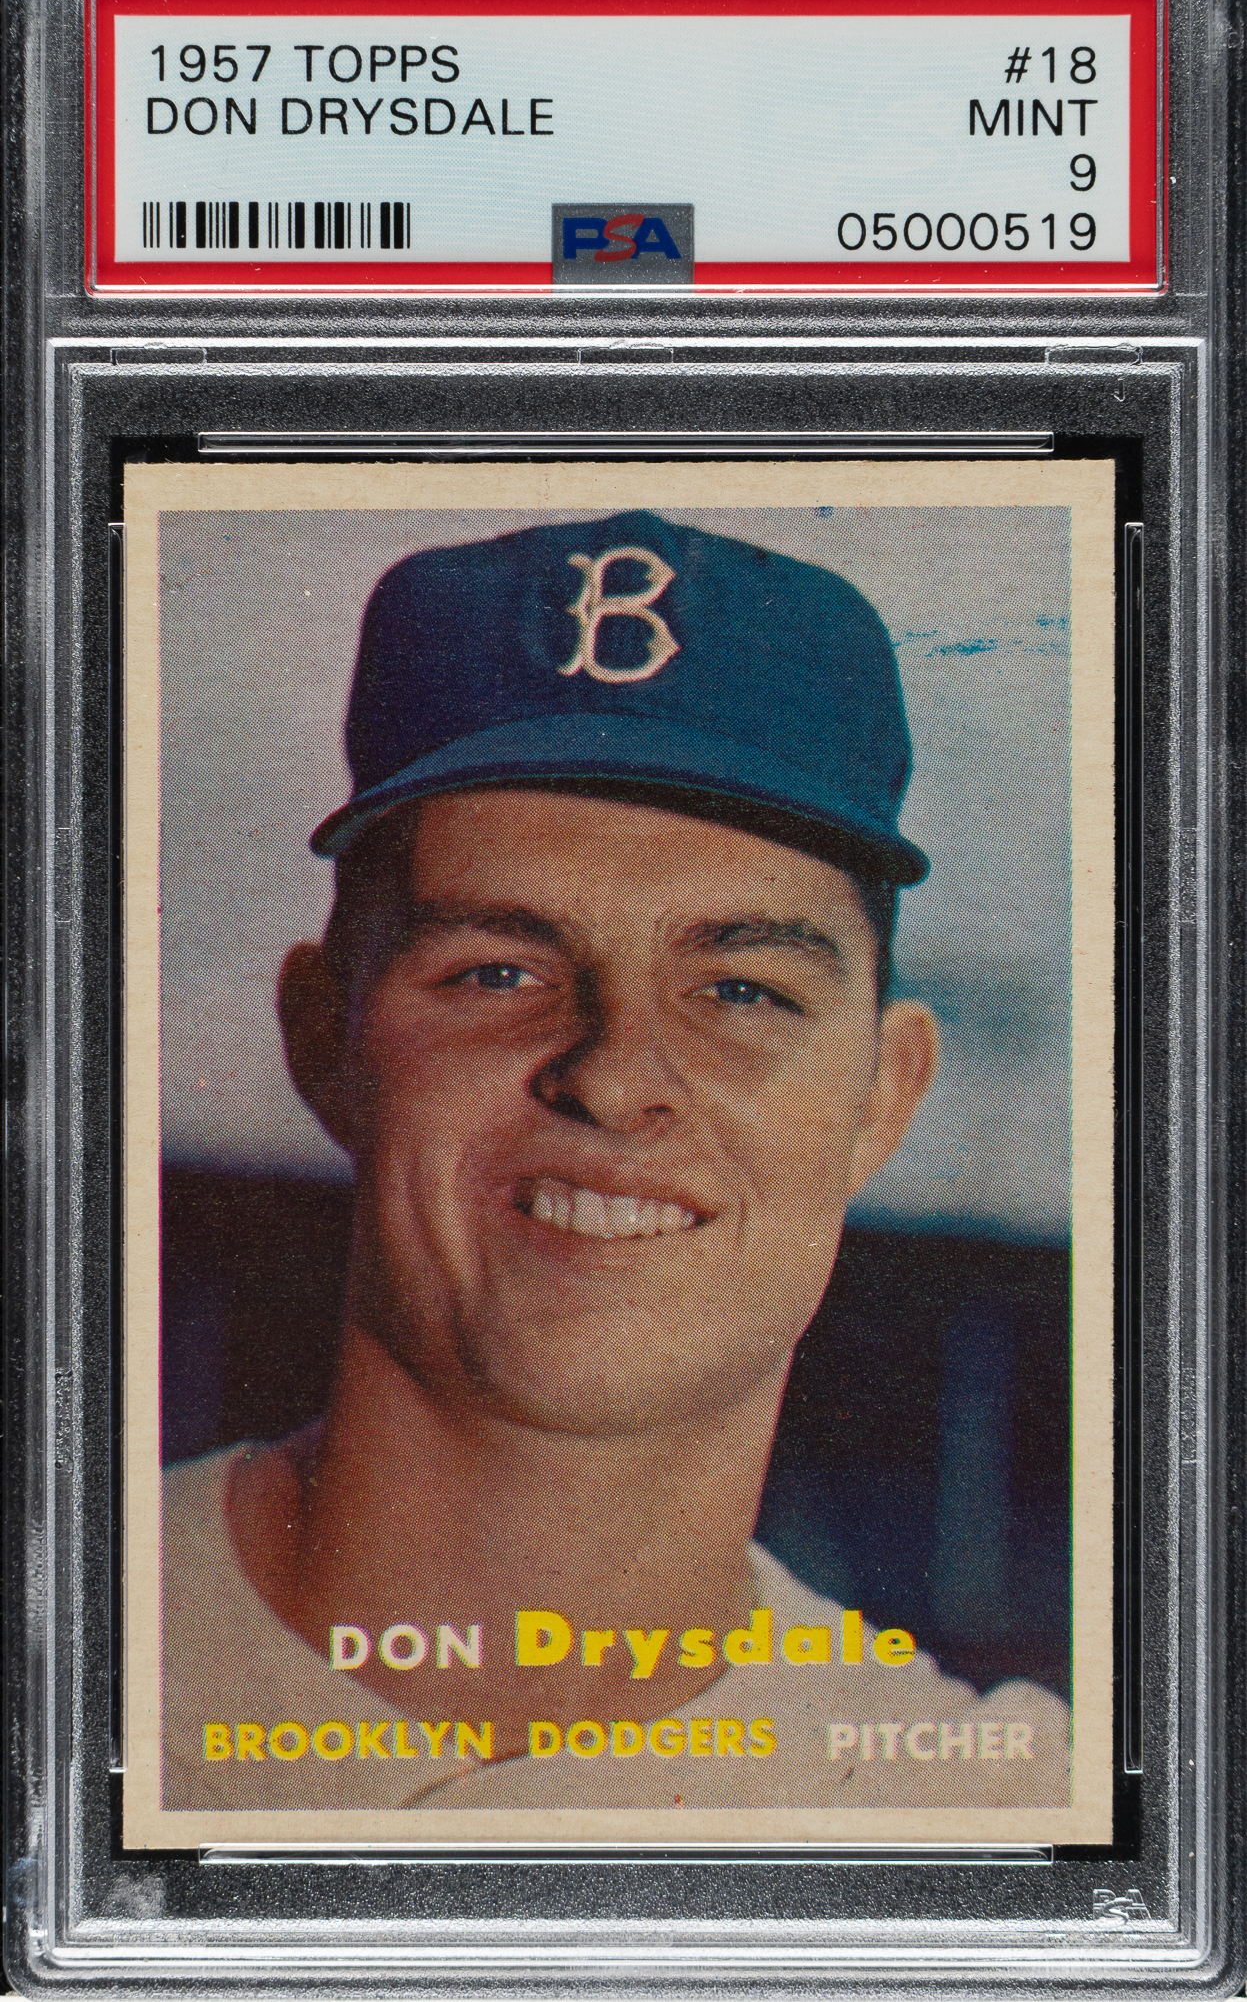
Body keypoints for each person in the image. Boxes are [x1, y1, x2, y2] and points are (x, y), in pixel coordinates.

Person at [161, 510, 1069, 1818]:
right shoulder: (64, 1648)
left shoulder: (998, 1822)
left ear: (884, 1094)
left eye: (744, 991)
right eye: (498, 972)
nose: (617, 1074)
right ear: (324, 1036)